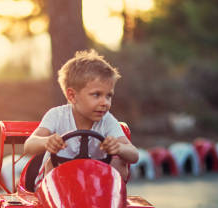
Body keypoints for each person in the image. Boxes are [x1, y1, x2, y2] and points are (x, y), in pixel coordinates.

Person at [23, 49, 138, 184]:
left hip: (94, 187)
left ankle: (109, 201)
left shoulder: (107, 120)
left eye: (108, 96)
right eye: (96, 95)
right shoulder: (56, 115)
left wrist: (119, 148)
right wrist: (46, 141)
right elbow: (29, 145)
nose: (105, 103)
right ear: (72, 96)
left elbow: (134, 154)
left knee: (120, 163)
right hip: (57, 187)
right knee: (50, 163)